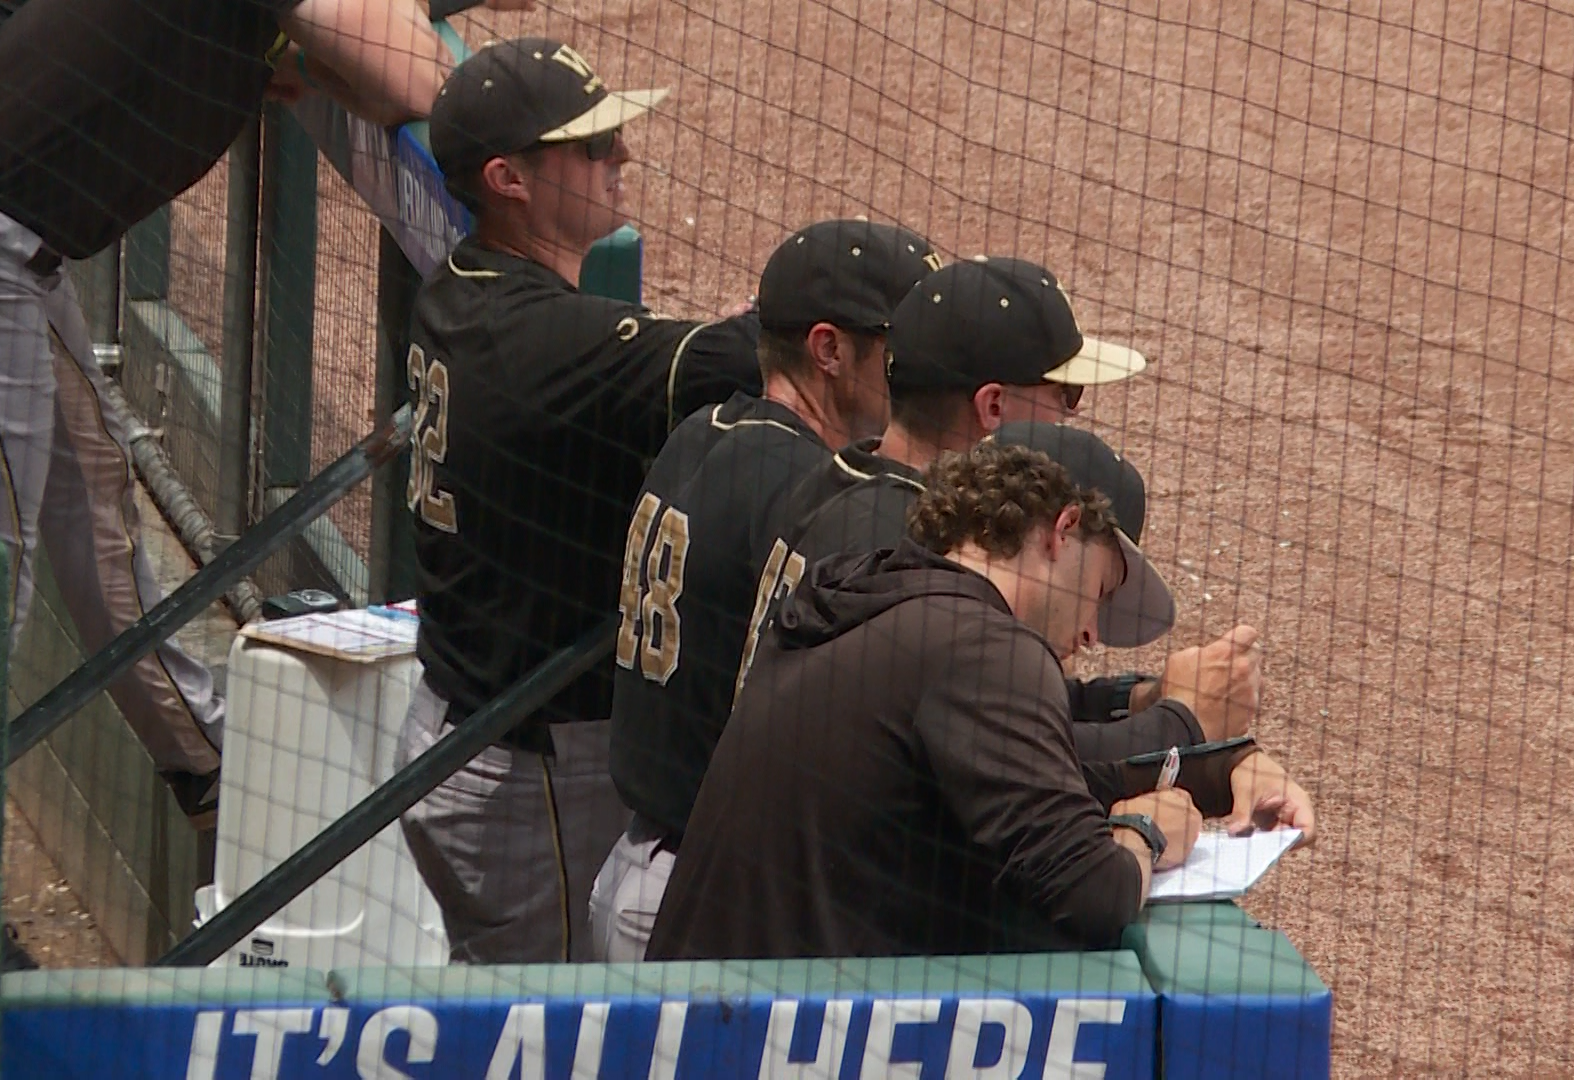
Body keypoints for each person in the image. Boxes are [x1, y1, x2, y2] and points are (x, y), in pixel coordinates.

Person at [0, 0, 447, 826]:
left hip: (26, 256)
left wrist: (307, 55)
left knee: (90, 503)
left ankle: (208, 767)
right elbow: (418, 78)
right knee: (7, 579)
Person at [647, 430, 1317, 960]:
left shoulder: (874, 597)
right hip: (769, 1038)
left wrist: (1219, 767)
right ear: (1062, 530)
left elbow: (1047, 768)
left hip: (696, 1018)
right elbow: (1091, 891)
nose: (1090, 630)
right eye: (1101, 592)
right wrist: (1145, 832)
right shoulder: (984, 645)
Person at [392, 37, 764, 964]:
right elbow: (730, 357)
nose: (620, 159)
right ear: (509, 178)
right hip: (529, 765)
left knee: (516, 1010)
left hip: (470, 718)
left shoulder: (459, 288)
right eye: (593, 146)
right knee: (551, 1033)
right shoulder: (548, 341)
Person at [590, 217, 941, 961]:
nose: (923, 368)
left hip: (644, 863)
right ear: (829, 350)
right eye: (902, 347)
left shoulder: (699, 432)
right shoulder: (800, 487)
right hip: (706, 903)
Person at [777, 256, 1260, 754]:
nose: (1072, 414)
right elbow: (1015, 758)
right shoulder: (911, 548)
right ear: (993, 407)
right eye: (1064, 395)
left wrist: (1137, 699)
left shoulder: (838, 483)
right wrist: (1184, 726)